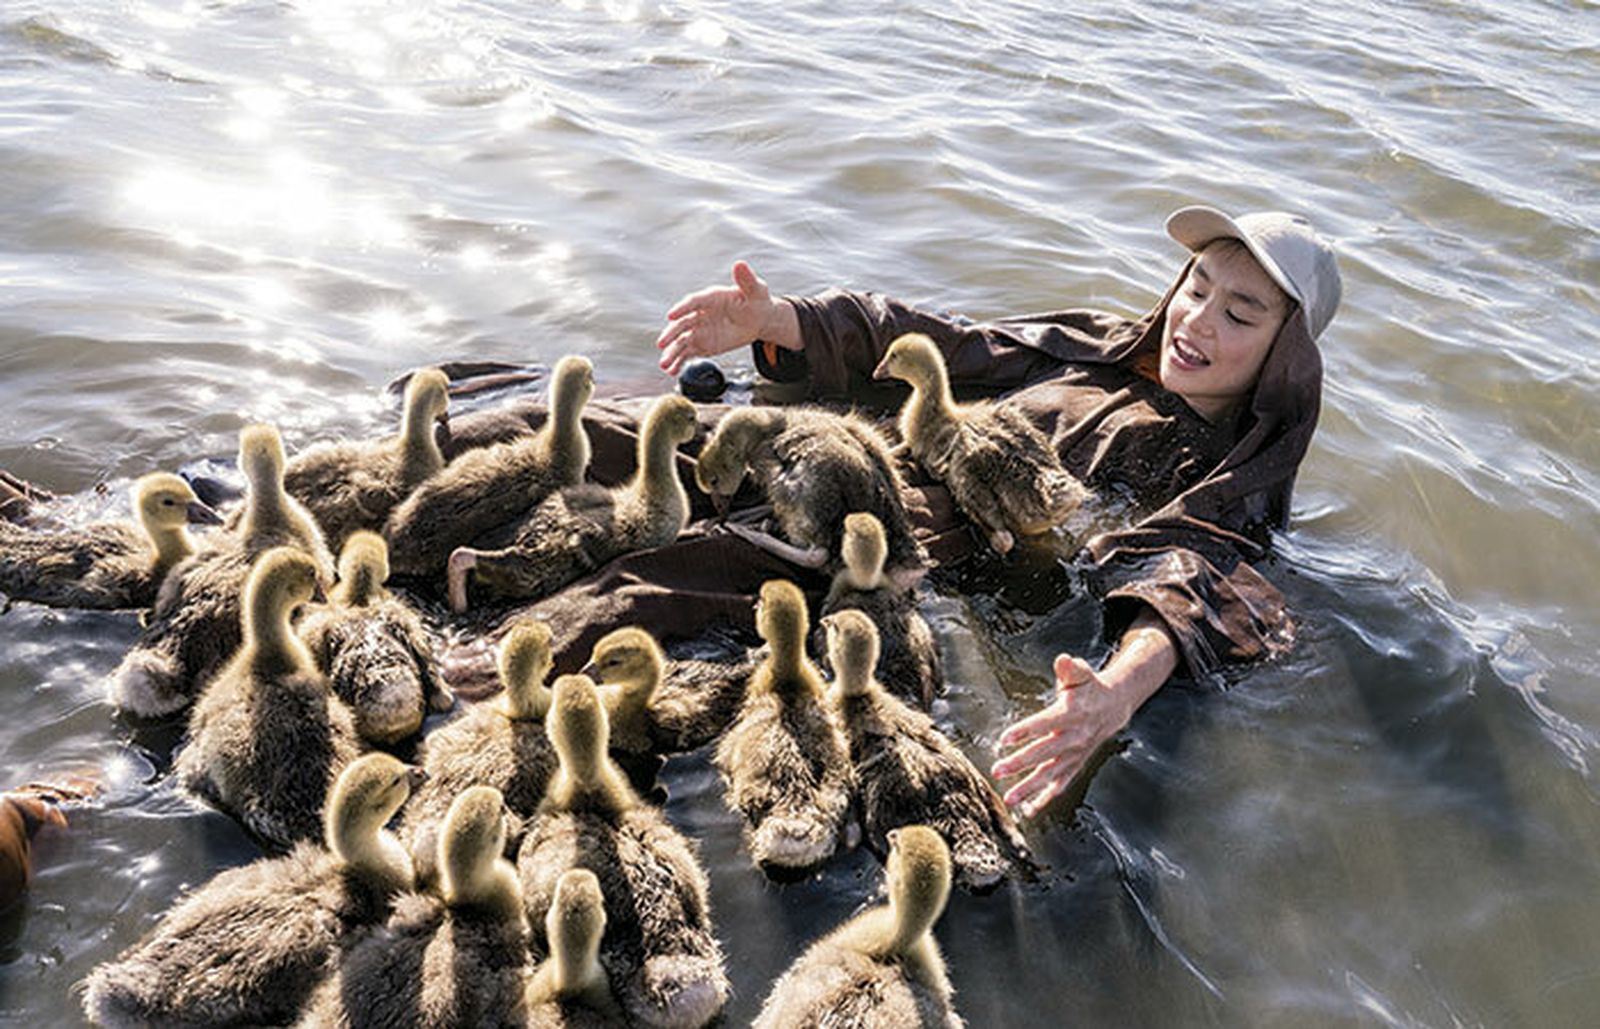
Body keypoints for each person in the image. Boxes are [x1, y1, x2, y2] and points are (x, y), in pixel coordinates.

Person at [654, 206, 1342, 818]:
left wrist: (1116, 692)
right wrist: (783, 321)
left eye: (1239, 314)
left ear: (1284, 357)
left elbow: (1200, 580)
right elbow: (949, 344)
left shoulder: (1228, 479)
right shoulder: (1092, 348)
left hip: (899, 543)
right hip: (843, 457)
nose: (1197, 319)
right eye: (1195, 288)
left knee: (658, 584)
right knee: (622, 435)